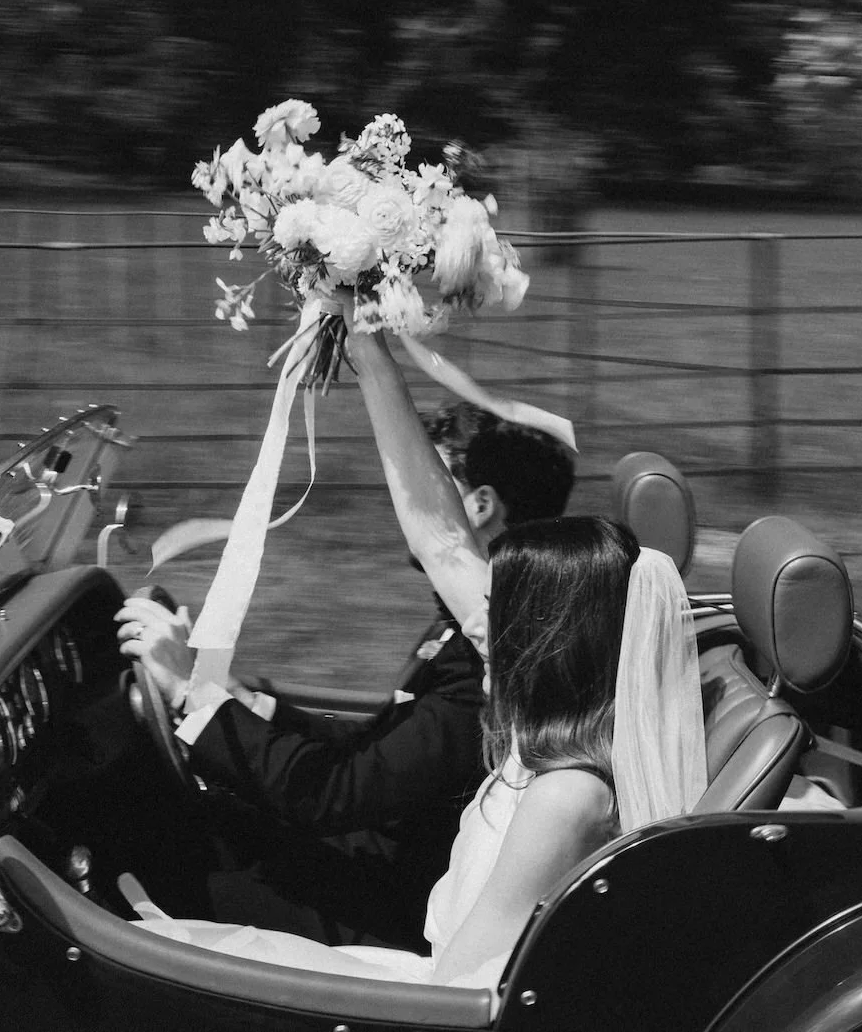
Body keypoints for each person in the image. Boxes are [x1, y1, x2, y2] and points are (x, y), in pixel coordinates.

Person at [125, 328, 707, 987]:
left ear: (545, 638)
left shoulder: (566, 793)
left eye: (498, 612)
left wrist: (194, 697)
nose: (476, 623)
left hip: (422, 996)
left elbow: (454, 995)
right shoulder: (540, 724)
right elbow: (441, 539)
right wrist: (365, 342)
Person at [114, 393, 576, 949]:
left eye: (423, 482)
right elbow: (375, 753)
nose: (402, 501)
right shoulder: (471, 624)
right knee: (198, 827)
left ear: (479, 506)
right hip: (385, 858)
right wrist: (246, 703)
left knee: (169, 882)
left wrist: (192, 697)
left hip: (399, 907)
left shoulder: (493, 657)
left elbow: (334, 794)